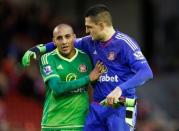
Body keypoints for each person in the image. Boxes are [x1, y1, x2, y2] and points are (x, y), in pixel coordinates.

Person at [22, 4, 153, 131]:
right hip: (98, 106)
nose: (86, 31)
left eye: (89, 27)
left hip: (123, 105)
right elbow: (67, 41)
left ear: (101, 25)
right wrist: (39, 48)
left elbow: (146, 72)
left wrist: (120, 89)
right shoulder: (89, 41)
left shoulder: (125, 44)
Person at [36, 24, 104, 131]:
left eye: (67, 36)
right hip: (53, 124)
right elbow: (57, 88)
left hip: (79, 123)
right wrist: (87, 78)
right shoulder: (47, 58)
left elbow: (95, 87)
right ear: (54, 41)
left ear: (74, 38)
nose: (64, 42)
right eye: (59, 38)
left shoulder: (85, 58)